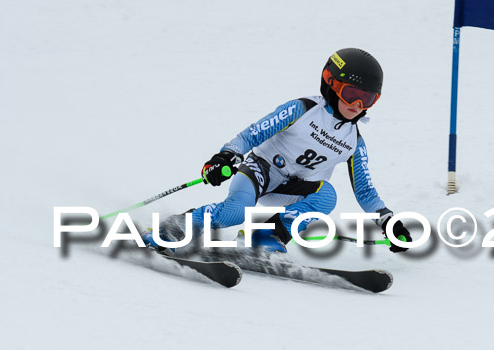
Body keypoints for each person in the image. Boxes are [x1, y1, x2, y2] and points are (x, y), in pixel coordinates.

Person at [143, 48, 412, 253]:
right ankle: (170, 229)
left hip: (292, 188)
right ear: (331, 84)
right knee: (235, 213)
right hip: (259, 172)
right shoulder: (302, 109)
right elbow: (252, 135)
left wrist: (387, 221)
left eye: (367, 99)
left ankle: (265, 237)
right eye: (350, 93)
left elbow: (365, 190)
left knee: (327, 195)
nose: (356, 105)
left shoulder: (355, 142)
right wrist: (225, 156)